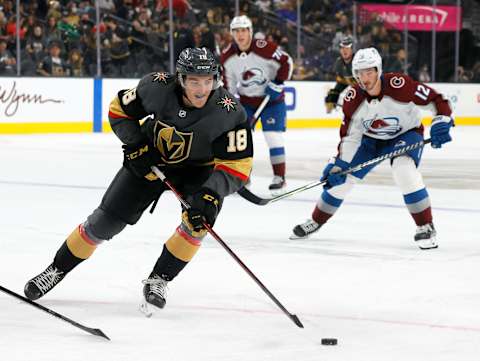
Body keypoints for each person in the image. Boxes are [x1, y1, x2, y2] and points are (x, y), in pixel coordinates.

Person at [24, 48, 253, 310]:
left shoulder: (230, 111)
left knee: (198, 223)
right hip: (150, 160)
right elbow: (119, 110)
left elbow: (236, 165)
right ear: (180, 79)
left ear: (216, 79)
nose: (201, 89)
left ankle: (159, 279)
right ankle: (56, 269)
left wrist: (211, 193)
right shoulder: (155, 87)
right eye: (193, 81)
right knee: (104, 223)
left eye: (207, 81)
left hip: (198, 171)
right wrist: (136, 145)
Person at [291, 47, 454, 250]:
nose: (364, 78)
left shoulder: (399, 84)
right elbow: (350, 138)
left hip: (406, 134)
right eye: (359, 73)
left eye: (369, 71)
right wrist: (339, 164)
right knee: (342, 181)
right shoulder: (352, 99)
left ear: (378, 70)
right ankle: (316, 221)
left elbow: (436, 100)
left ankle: (425, 226)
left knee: (404, 171)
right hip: (370, 142)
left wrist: (441, 121)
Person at [221, 15, 293, 194]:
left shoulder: (264, 48)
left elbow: (287, 62)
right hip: (247, 102)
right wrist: (232, 107)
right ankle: (243, 177)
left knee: (272, 136)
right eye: (236, 31)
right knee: (240, 139)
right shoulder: (227, 56)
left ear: (250, 32)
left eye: (244, 30)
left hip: (272, 101)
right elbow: (228, 85)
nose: (240, 35)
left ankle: (280, 177)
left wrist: (278, 82)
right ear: (232, 34)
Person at [324, 36, 356, 113]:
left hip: (366, 90)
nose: (344, 50)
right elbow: (341, 82)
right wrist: (333, 95)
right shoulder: (339, 63)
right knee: (332, 94)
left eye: (347, 48)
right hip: (356, 88)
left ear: (352, 50)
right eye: (342, 48)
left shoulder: (358, 61)